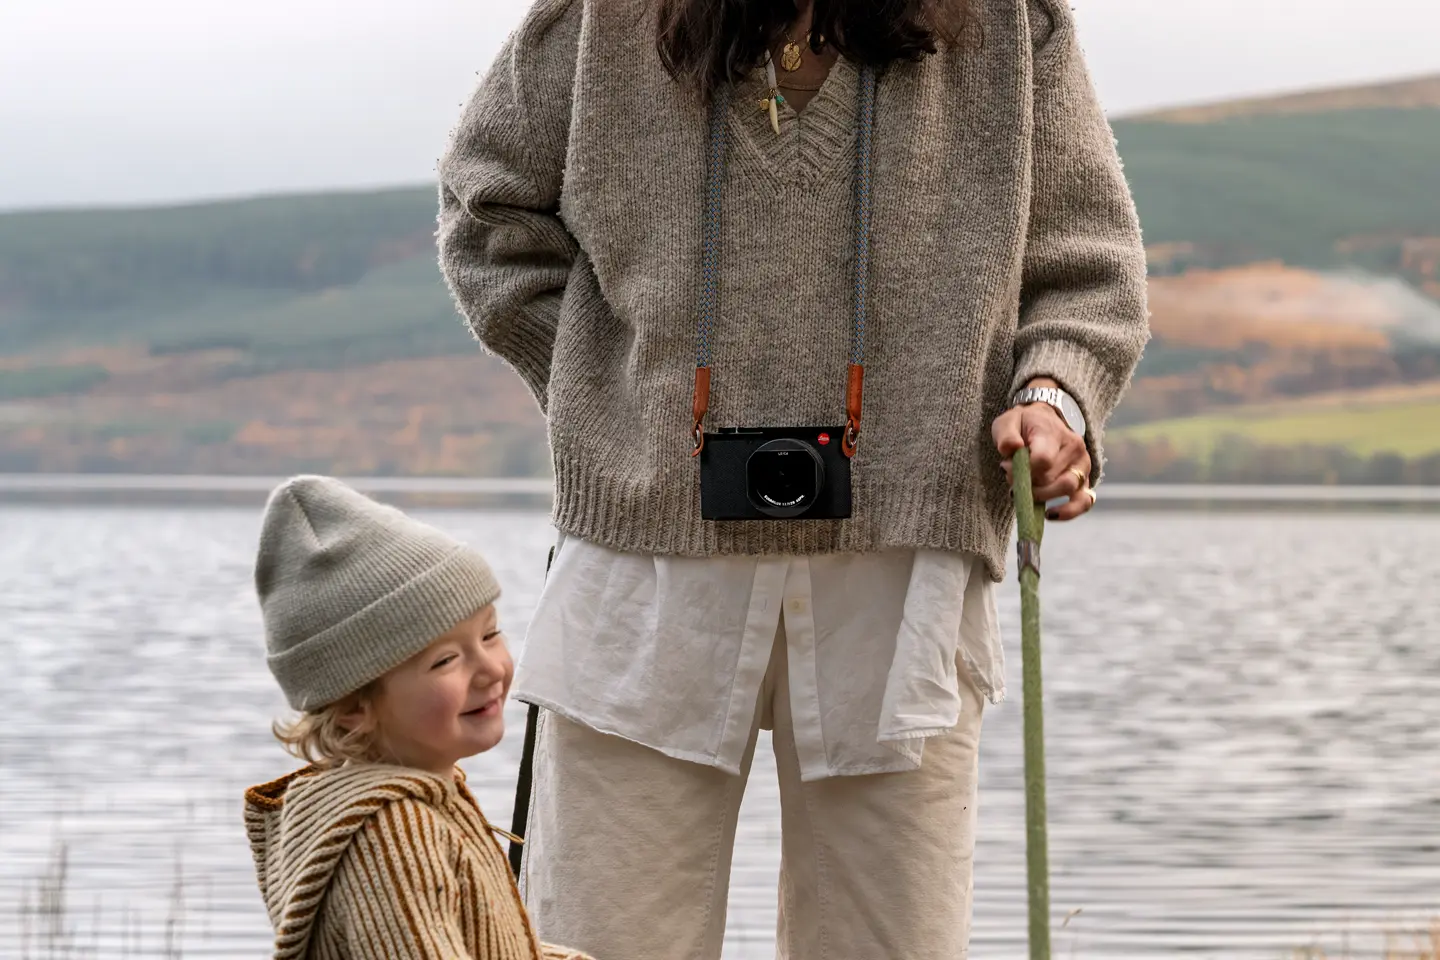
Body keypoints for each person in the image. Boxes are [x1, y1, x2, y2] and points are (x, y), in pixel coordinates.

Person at [437, 0, 1150, 955]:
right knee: (598, 941)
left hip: (906, 572)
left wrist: (1054, 397)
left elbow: (1088, 269)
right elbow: (487, 212)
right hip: (646, 567)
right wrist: (607, 394)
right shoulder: (597, 20)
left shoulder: (1012, 26)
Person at [241, 476, 592, 960]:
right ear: (353, 707)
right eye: (446, 660)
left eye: (490, 635)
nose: (491, 669)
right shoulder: (394, 835)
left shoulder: (417, 797)